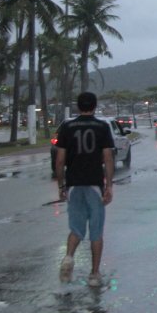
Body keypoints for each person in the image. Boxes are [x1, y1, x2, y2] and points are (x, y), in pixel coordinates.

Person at [54, 91, 116, 288]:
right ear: (95, 106)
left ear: (77, 107)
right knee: (96, 232)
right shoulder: (102, 127)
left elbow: (60, 160)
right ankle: (95, 273)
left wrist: (61, 185)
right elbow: (107, 158)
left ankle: (68, 257)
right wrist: (109, 185)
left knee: (76, 229)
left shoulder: (67, 126)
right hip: (94, 184)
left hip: (73, 184)